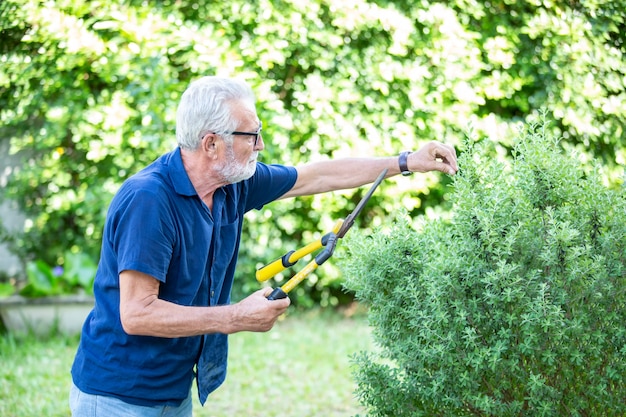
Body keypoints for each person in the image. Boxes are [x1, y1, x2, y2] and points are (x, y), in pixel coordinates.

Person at [69, 75, 458, 416]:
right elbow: (137, 314)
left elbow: (315, 177)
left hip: (172, 392)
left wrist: (406, 161)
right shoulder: (149, 200)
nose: (261, 145)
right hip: (117, 397)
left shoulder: (232, 185)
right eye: (251, 135)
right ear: (211, 144)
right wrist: (235, 317)